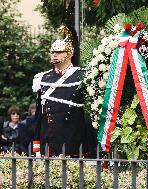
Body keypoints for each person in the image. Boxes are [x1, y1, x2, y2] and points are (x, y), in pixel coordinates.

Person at [32, 25, 94, 157]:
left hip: (74, 140)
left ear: (70, 53)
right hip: (49, 142)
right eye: (53, 52)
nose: (54, 54)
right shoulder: (42, 78)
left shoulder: (83, 75)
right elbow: (39, 115)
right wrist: (36, 144)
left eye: (59, 51)